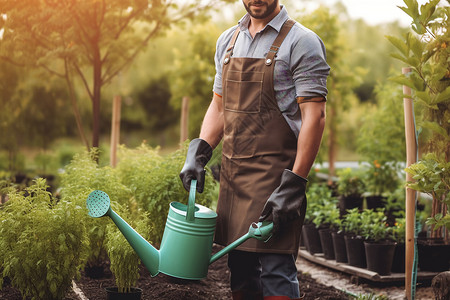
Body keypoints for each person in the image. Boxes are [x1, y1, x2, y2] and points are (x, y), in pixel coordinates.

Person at [180, 1, 330, 299]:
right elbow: (219, 105)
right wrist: (199, 151)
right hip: (235, 175)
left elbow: (315, 117)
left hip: (278, 174)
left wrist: (294, 184)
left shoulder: (302, 42)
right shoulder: (228, 40)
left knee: (276, 266)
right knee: (241, 267)